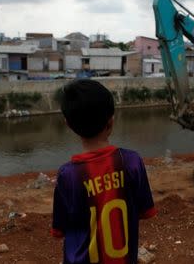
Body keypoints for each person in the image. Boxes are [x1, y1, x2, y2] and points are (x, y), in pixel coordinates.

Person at [51, 79, 157, 264]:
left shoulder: (68, 175)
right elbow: (145, 211)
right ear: (111, 122)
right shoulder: (131, 162)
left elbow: (59, 232)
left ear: (68, 125)